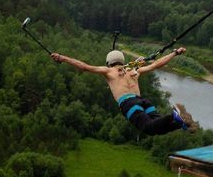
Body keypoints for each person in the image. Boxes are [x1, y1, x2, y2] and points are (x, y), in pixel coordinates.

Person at [50, 47, 188, 135]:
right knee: (157, 128)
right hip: (143, 101)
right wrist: (174, 53)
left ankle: (173, 115)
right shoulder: (134, 70)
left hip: (129, 103)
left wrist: (63, 58)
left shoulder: (109, 71)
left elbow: (84, 67)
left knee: (148, 128)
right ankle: (180, 123)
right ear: (122, 60)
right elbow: (157, 64)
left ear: (109, 62)